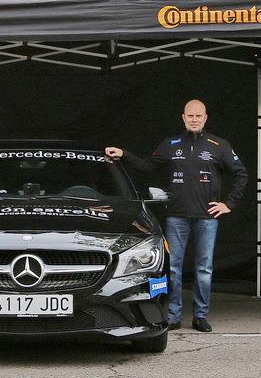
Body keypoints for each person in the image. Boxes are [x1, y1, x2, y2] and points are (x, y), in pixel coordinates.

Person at [105, 99, 247, 332]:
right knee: (173, 268)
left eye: (198, 116)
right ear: (183, 117)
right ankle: (173, 316)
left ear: (205, 118)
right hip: (177, 217)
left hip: (207, 217)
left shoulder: (218, 145)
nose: (194, 119)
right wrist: (124, 154)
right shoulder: (171, 144)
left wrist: (228, 203)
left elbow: (241, 173)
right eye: (190, 116)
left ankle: (200, 316)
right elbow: (147, 166)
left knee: (204, 269)